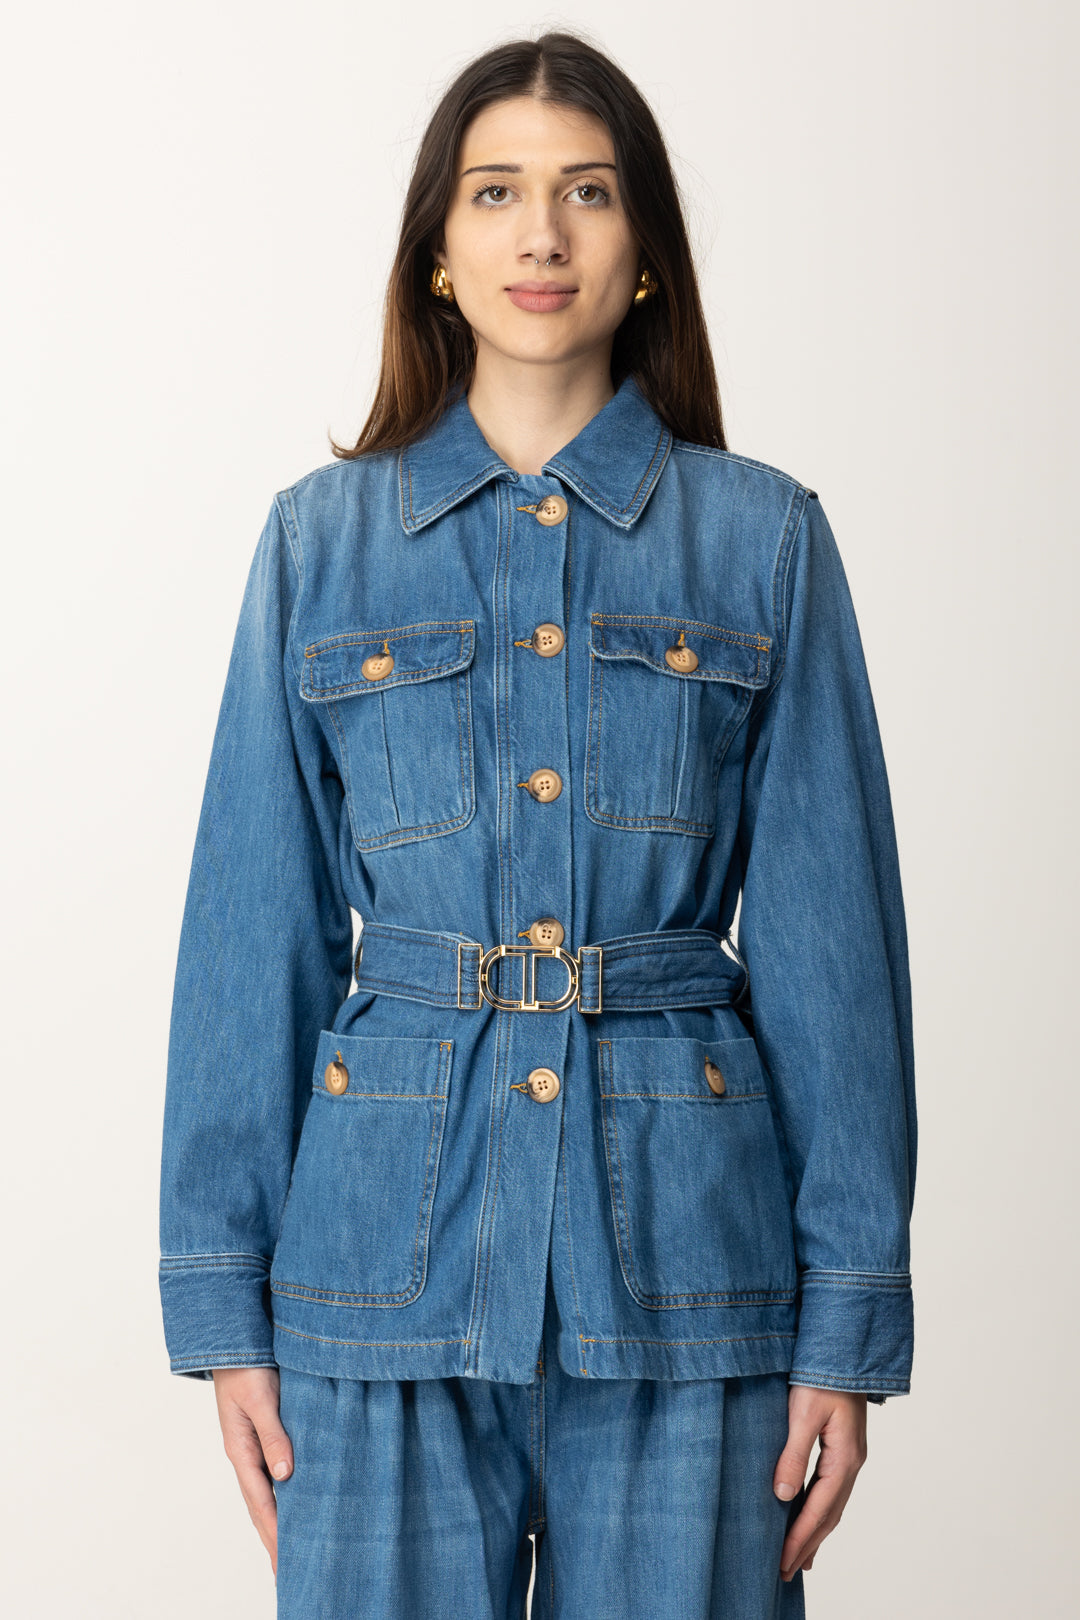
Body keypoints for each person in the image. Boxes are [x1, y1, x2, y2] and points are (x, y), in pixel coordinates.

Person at [158, 28, 917, 1619]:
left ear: (646, 254)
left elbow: (834, 955)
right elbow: (250, 935)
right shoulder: (321, 547)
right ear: (438, 251)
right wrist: (224, 1308)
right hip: (378, 1270)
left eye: (589, 191)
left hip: (692, 1278)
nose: (543, 234)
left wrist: (847, 1323)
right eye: (496, 192)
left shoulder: (763, 542)